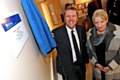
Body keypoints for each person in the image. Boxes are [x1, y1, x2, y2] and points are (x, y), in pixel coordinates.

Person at [52, 7, 89, 80]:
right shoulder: (56, 33)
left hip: (81, 66)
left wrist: (86, 60)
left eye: (73, 16)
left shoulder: (81, 29)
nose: (71, 19)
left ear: (77, 18)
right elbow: (48, 48)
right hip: (68, 68)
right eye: (68, 16)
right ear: (64, 18)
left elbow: (84, 46)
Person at [86, 9, 120, 80]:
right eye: (96, 23)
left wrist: (111, 66)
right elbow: (88, 50)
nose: (99, 25)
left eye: (102, 21)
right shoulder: (90, 33)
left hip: (114, 69)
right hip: (98, 70)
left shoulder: (118, 30)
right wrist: (96, 63)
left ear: (106, 20)